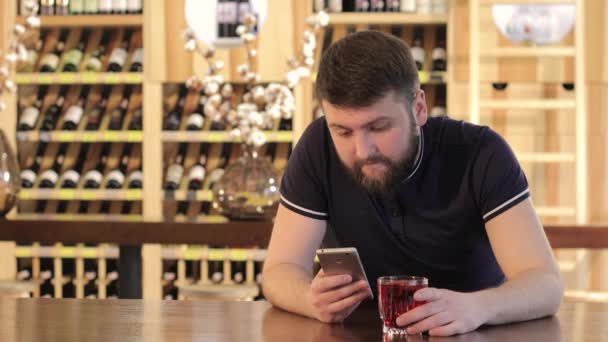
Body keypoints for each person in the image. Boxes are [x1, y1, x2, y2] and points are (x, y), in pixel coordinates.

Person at [261, 30, 563, 337]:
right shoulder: (317, 147)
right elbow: (279, 270)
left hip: (468, 332)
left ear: (418, 108)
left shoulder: (481, 153)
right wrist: (309, 300)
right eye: (343, 132)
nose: (363, 151)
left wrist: (478, 307)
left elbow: (544, 283)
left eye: (378, 127)